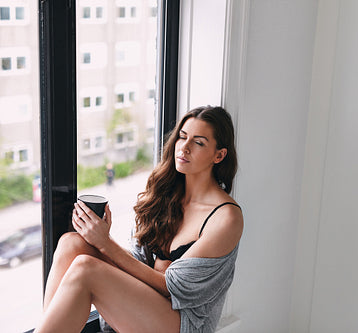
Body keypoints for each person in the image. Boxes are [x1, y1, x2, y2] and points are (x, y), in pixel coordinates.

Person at [34, 106, 244, 333]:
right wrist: (98, 238)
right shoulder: (166, 194)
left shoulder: (226, 217)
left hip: (183, 323)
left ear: (219, 155)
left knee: (86, 268)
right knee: (71, 243)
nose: (184, 147)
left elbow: (171, 288)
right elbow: (138, 262)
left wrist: (105, 243)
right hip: (148, 305)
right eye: (182, 137)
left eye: (199, 142)